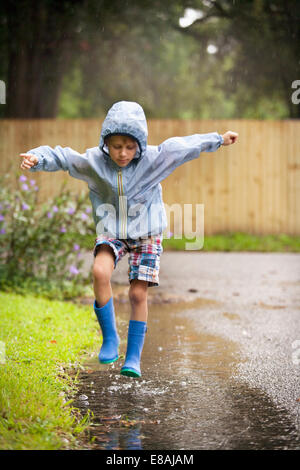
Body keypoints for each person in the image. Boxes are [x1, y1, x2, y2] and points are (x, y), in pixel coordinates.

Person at [20, 100, 238, 378]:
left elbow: (184, 147)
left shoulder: (153, 159)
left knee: (137, 293)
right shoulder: (93, 162)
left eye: (129, 146)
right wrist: (38, 158)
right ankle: (110, 339)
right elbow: (62, 156)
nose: (122, 153)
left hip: (147, 232)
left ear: (139, 145)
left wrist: (217, 139)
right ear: (105, 143)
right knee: (100, 271)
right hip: (112, 231)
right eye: (116, 146)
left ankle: (133, 356)